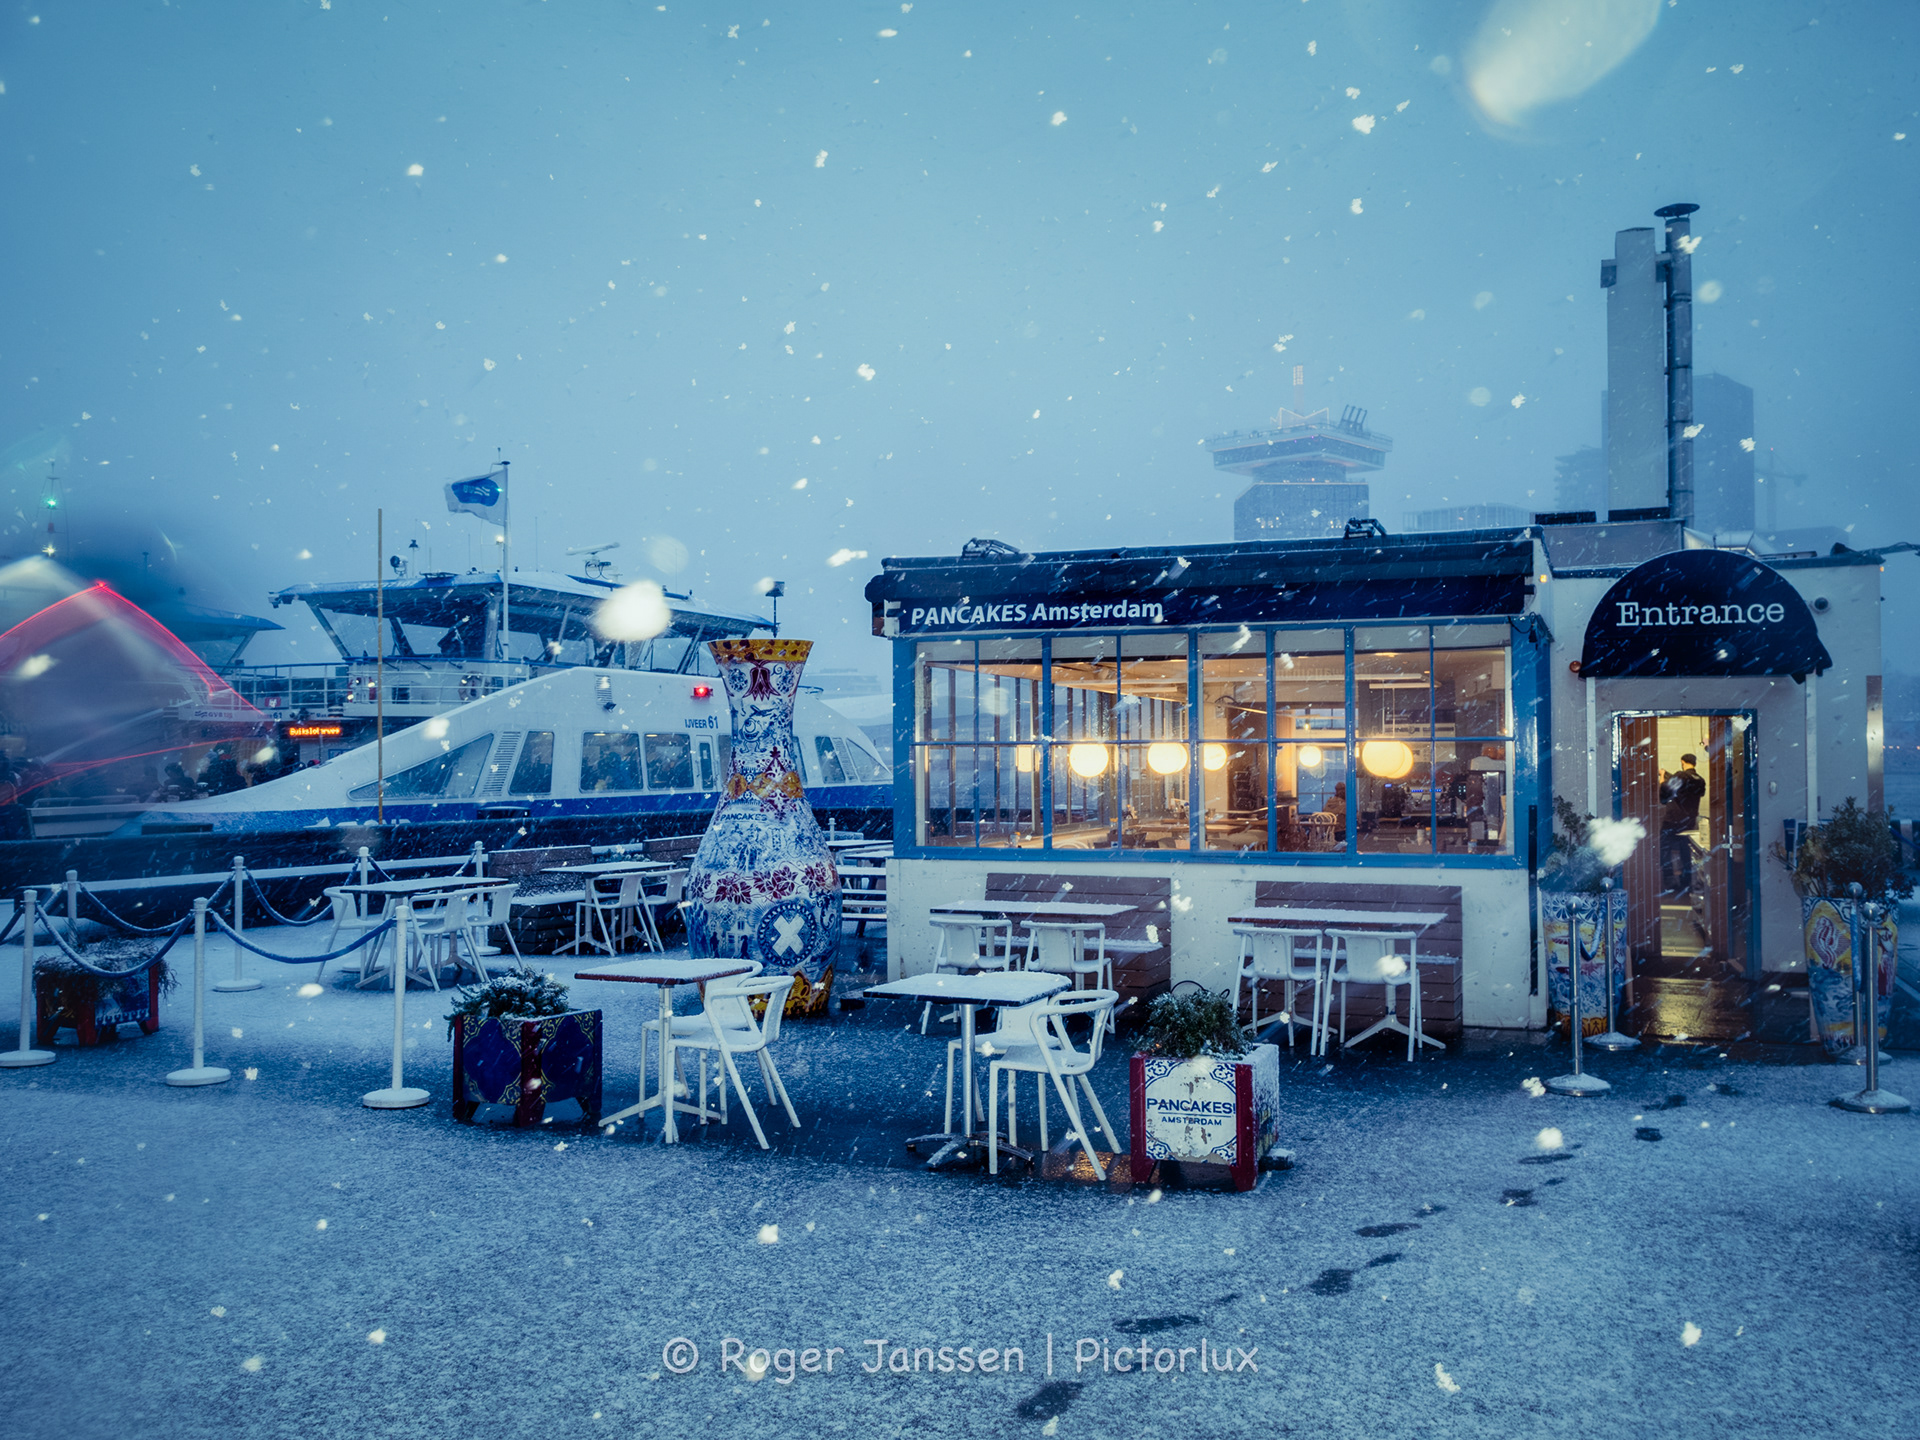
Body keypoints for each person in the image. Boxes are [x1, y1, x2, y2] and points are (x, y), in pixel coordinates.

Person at [1659, 753, 1707, 896]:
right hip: (1689, 822)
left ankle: (1669, 882)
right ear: (1695, 763)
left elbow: (1665, 792)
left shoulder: (1681, 776)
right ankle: (1686, 882)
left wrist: (1662, 776)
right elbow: (1686, 791)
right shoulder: (1700, 780)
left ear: (1682, 762)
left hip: (1673, 820)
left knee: (1665, 849)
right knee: (1686, 852)